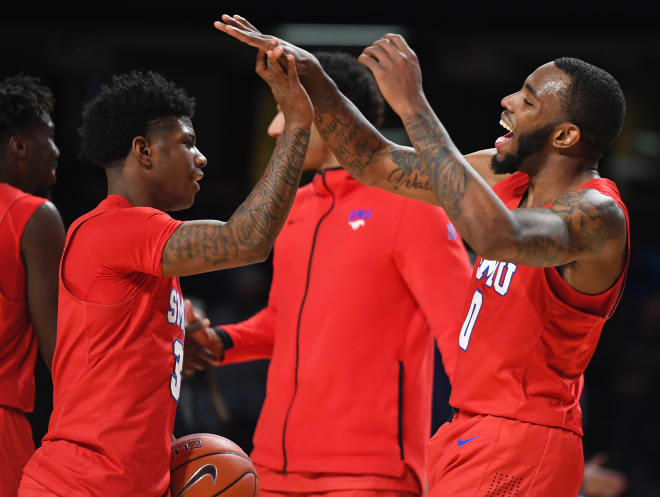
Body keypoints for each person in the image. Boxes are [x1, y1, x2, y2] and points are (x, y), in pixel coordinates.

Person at [214, 16, 629, 497]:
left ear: (564, 137)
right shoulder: (508, 178)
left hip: (523, 433)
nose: (508, 102)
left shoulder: (598, 215)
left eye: (529, 100)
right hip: (467, 428)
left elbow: (498, 235)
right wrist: (314, 78)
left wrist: (412, 104)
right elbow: (374, 162)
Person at [19, 50, 313, 497]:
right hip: (81, 484)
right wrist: (296, 126)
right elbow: (246, 240)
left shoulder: (143, 250)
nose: (201, 158)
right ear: (144, 150)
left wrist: (173, 346)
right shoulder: (115, 227)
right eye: (187, 142)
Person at [189, 50, 472, 497]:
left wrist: (476, 442)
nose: (275, 129)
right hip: (272, 466)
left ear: (325, 114)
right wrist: (220, 342)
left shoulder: (415, 206)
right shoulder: (294, 208)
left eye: (285, 113)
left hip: (369, 474)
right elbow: (281, 322)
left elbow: (465, 334)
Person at [0, 74, 65, 497]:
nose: (57, 151)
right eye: (50, 137)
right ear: (20, 146)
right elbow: (59, 347)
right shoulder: (33, 214)